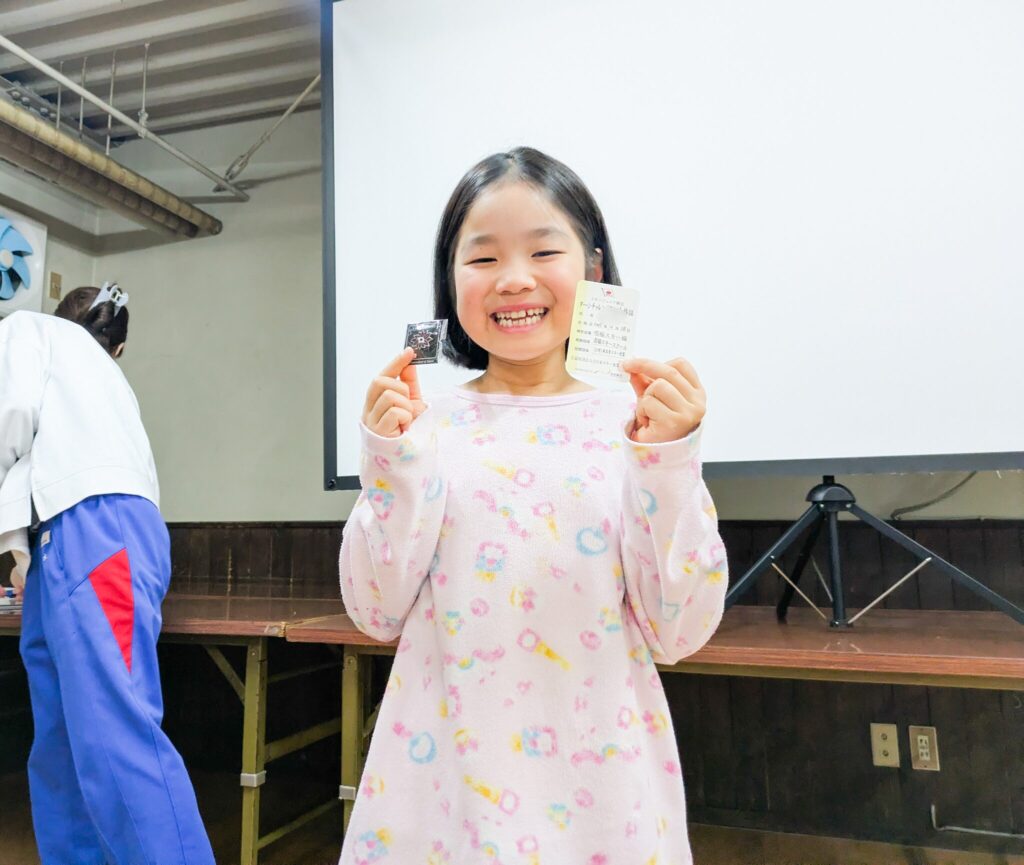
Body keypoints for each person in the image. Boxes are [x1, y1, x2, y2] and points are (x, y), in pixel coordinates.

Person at [338, 147, 728, 864]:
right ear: (449, 281)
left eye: (544, 251)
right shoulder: (425, 427)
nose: (514, 278)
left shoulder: (635, 427)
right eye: (482, 258)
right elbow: (375, 611)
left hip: (603, 802)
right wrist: (390, 459)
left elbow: (681, 629)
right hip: (440, 799)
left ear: (595, 270)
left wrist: (668, 463)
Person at [0, 286, 215, 865]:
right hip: (86, 534)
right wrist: (21, 554)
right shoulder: (108, 381)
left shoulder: (29, 330)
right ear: (118, 345)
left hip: (91, 532)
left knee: (110, 735)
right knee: (66, 742)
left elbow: (5, 420)